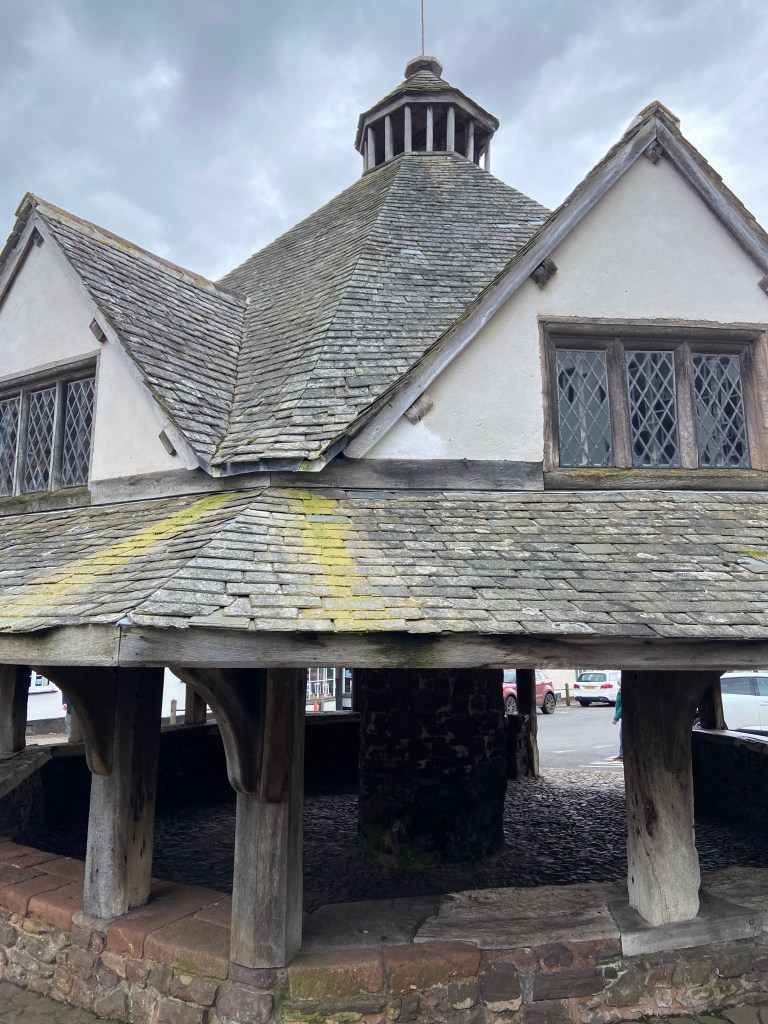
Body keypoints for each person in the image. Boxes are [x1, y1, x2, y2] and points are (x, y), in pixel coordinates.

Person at [612, 686, 623, 761]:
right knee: (622, 735)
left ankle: (622, 754)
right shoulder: (620, 691)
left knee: (622, 735)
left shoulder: (622, 692)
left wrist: (616, 717)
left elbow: (622, 706)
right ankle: (622, 754)